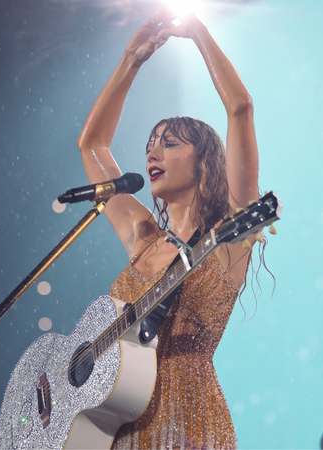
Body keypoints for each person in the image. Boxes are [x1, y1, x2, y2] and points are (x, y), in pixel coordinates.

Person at [76, 8, 259, 450]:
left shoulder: (230, 238)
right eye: (149, 145)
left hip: (189, 421)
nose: (152, 152)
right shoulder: (143, 236)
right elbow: (93, 145)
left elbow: (240, 108)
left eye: (170, 143)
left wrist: (199, 33)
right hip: (118, 421)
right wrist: (131, 60)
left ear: (204, 162)